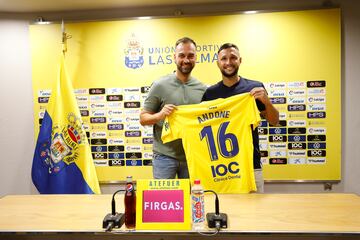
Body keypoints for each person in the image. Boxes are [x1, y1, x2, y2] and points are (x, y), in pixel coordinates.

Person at [202, 43, 279, 193]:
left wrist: (267, 102)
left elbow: (274, 121)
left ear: (240, 60)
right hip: (221, 169)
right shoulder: (210, 94)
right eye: (224, 58)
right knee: (223, 213)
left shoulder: (254, 88)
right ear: (218, 62)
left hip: (251, 165)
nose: (228, 62)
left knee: (254, 214)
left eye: (233, 58)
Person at [140, 37, 207, 179]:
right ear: (174, 57)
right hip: (164, 157)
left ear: (196, 58)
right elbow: (143, 118)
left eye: (190, 56)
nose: (186, 60)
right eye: (182, 55)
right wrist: (160, 115)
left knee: (192, 199)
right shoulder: (159, 85)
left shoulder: (203, 89)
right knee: (163, 199)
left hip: (193, 156)